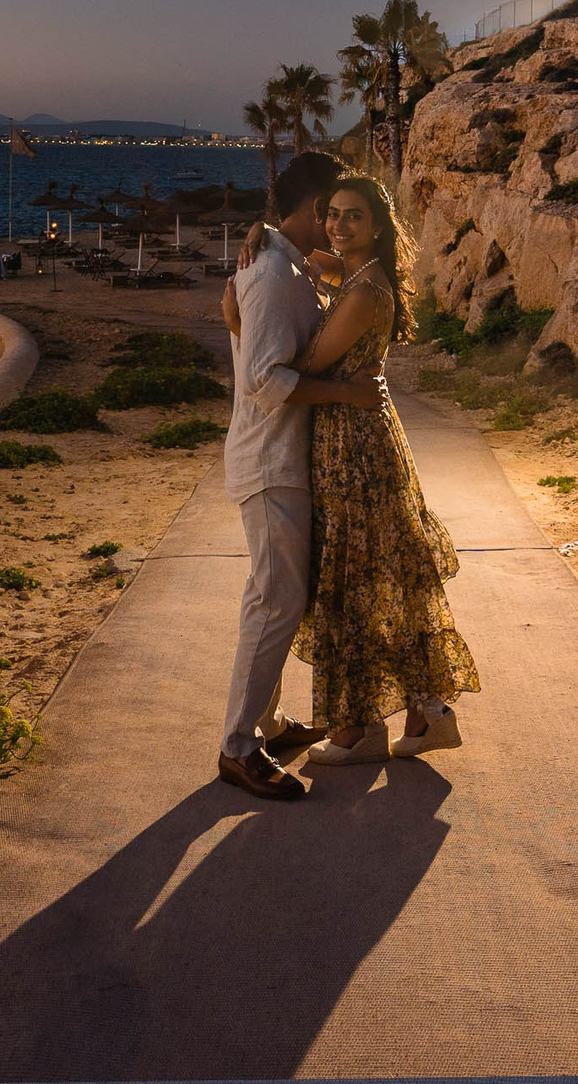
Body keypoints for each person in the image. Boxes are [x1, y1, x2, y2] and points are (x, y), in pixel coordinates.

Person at [280, 173, 478, 762]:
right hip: (353, 437)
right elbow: (323, 268)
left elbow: (302, 363)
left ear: (378, 226)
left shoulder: (365, 291)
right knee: (373, 580)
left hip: (356, 447)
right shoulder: (357, 277)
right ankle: (420, 715)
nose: (340, 225)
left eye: (354, 217)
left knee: (360, 581)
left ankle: (360, 726)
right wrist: (274, 245)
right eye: (332, 214)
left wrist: (241, 322)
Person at [214, 151, 381, 802]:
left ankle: (267, 724)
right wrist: (344, 392)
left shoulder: (280, 265)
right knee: (274, 600)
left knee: (279, 597)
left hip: (281, 462)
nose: (335, 222)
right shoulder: (274, 274)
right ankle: (237, 745)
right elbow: (263, 380)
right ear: (316, 207)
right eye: (331, 209)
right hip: (268, 463)